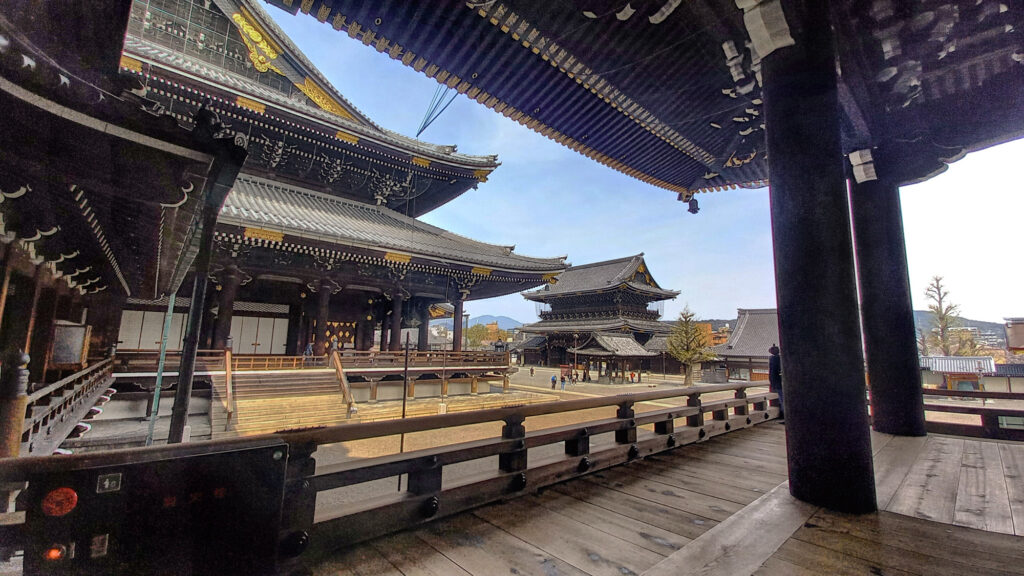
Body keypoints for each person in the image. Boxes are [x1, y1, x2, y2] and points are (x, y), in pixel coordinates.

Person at [768, 344, 784, 419]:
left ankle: (784, 414)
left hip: (778, 382)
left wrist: (772, 382)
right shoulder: (780, 358)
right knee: (782, 399)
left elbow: (773, 372)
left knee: (782, 399)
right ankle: (783, 413)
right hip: (780, 381)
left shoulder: (774, 359)